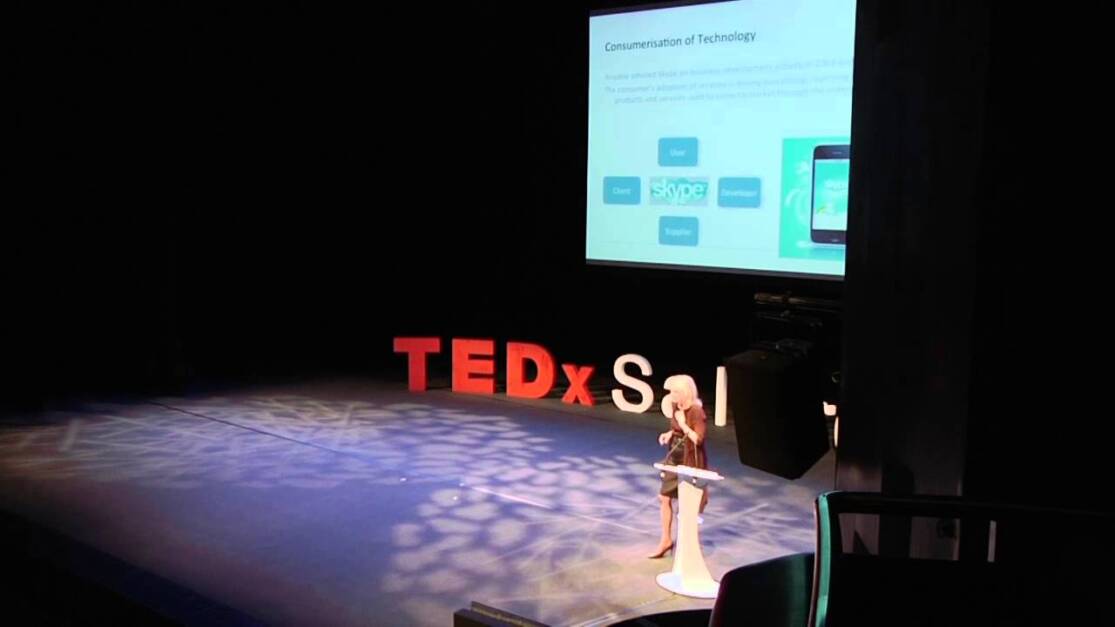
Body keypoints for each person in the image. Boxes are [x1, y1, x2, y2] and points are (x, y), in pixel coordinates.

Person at [649, 374, 710, 559]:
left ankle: (689, 545)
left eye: (675, 392)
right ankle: (666, 539)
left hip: (690, 460)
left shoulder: (696, 411)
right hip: (674, 459)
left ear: (685, 392)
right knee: (664, 497)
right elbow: (676, 429)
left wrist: (683, 425)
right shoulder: (677, 406)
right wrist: (669, 433)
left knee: (687, 505)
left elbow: (698, 439)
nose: (671, 395)